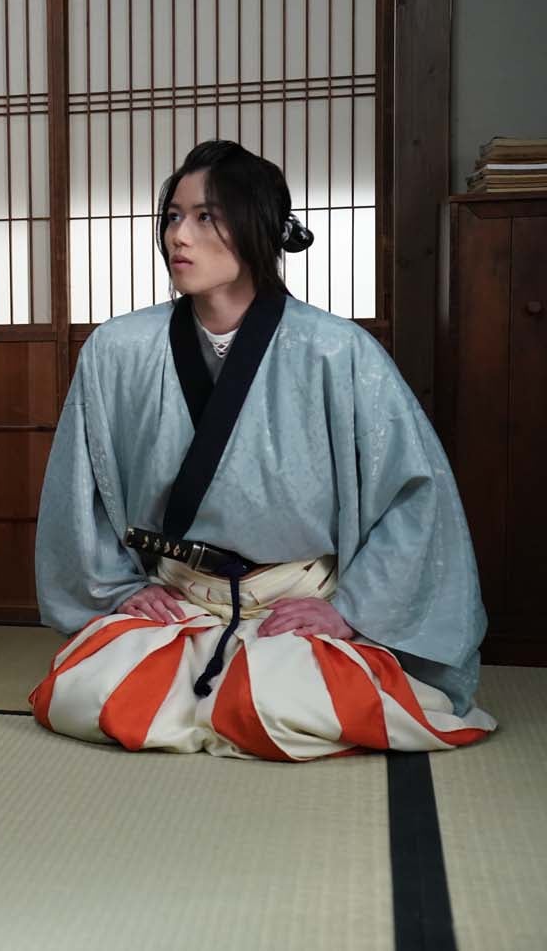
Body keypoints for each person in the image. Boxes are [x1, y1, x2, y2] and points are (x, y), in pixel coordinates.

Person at [29, 140, 495, 760]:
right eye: (173, 216)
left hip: (297, 603)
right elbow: (80, 491)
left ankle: (250, 686)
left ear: (257, 228)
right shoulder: (116, 351)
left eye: (206, 217)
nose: (178, 236)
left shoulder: (336, 351)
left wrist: (351, 610)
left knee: (275, 706)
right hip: (182, 600)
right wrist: (118, 589)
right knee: (85, 695)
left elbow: (414, 497)